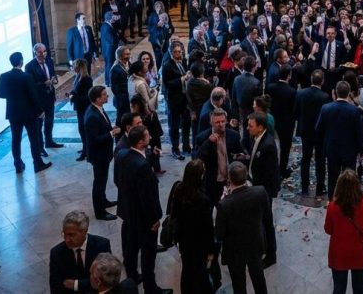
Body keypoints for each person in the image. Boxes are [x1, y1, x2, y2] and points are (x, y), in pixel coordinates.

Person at [115, 125, 170, 293]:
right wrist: (154, 219)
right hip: (144, 218)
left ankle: (132, 275)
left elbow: (117, 180)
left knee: (131, 247)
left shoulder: (122, 154)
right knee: (148, 253)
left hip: (128, 211)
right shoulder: (142, 166)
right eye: (147, 136)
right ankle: (150, 288)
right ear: (140, 142)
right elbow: (147, 197)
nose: (150, 137)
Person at [216, 162, 271, 294]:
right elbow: (266, 216)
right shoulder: (260, 192)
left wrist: (224, 199)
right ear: (246, 176)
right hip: (255, 243)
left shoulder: (224, 204)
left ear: (229, 179)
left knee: (238, 284)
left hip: (235, 250)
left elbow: (219, 233)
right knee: (259, 279)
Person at [324, 169, 363, 294]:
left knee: (339, 289)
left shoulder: (332, 206)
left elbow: (328, 230)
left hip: (339, 255)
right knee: (359, 288)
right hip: (360, 254)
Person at [172, 160, 216, 294]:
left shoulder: (178, 189)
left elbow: (174, 214)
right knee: (201, 273)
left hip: (184, 240)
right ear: (200, 176)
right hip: (199, 243)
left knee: (187, 270)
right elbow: (208, 228)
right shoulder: (203, 199)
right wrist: (211, 250)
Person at [316, 81, 363, 197]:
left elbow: (318, 129)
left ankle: (332, 200)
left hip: (332, 148)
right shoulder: (354, 111)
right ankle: (348, 199)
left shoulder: (326, 108)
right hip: (350, 150)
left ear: (335, 92)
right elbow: (359, 132)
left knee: (332, 177)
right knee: (349, 178)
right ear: (348, 93)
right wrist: (361, 149)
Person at [49, 210, 112, 294]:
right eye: (64, 234)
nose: (67, 240)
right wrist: (91, 283)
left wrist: (76, 284)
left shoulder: (102, 245)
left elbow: (107, 281)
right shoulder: (56, 253)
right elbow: (56, 288)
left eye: (71, 235)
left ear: (84, 231)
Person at [245, 112, 279, 267]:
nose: (247, 128)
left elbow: (270, 174)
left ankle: (271, 254)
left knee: (266, 221)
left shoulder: (268, 146)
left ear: (260, 127)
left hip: (263, 190)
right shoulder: (255, 138)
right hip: (255, 183)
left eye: (250, 126)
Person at [84, 85, 121, 221]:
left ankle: (103, 201)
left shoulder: (98, 109)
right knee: (99, 183)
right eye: (104, 94)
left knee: (103, 180)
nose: (107, 96)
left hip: (103, 154)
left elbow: (101, 128)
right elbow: (95, 139)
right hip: (99, 155)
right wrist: (112, 133)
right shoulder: (92, 116)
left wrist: (110, 128)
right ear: (97, 98)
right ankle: (100, 212)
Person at [295, 69, 331, 196]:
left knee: (305, 158)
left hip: (305, 130)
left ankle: (304, 187)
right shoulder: (325, 96)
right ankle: (320, 187)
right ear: (322, 81)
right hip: (319, 132)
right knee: (320, 159)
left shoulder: (300, 93)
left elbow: (296, 112)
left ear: (311, 79)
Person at [196, 109, 243, 206]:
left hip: (231, 180)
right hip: (212, 182)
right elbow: (198, 158)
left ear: (226, 121)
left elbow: (240, 155)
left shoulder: (234, 136)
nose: (221, 124)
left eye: (223, 121)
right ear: (211, 123)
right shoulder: (202, 138)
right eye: (217, 122)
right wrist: (208, 143)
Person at [26, 42, 62, 150]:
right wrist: (43, 84)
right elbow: (30, 85)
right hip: (39, 99)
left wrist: (53, 79)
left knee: (49, 121)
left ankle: (49, 141)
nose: (43, 54)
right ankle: (40, 147)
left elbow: (52, 73)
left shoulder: (49, 61)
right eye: (40, 52)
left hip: (50, 96)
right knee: (39, 124)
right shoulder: (30, 66)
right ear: (35, 52)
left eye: (44, 51)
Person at [162, 43, 193, 159]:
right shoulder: (167, 65)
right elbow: (168, 84)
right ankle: (175, 149)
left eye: (179, 51)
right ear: (171, 52)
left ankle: (186, 146)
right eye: (175, 52)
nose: (178, 54)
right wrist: (182, 78)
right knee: (174, 126)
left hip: (184, 98)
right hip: (174, 99)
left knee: (186, 123)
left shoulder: (183, 61)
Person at [266, 64, 297, 178]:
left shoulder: (270, 87)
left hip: (272, 118)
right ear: (289, 76)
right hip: (286, 122)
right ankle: (282, 170)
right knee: (285, 147)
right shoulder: (292, 91)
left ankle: (270, 167)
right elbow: (293, 109)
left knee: (269, 144)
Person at [70, 58, 95, 162]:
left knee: (84, 129)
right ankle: (85, 147)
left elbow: (87, 96)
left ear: (79, 67)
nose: (72, 68)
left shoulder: (87, 79)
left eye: (74, 66)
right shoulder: (78, 77)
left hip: (84, 107)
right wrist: (71, 94)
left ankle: (86, 151)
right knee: (81, 129)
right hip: (79, 107)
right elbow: (76, 90)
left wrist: (74, 97)